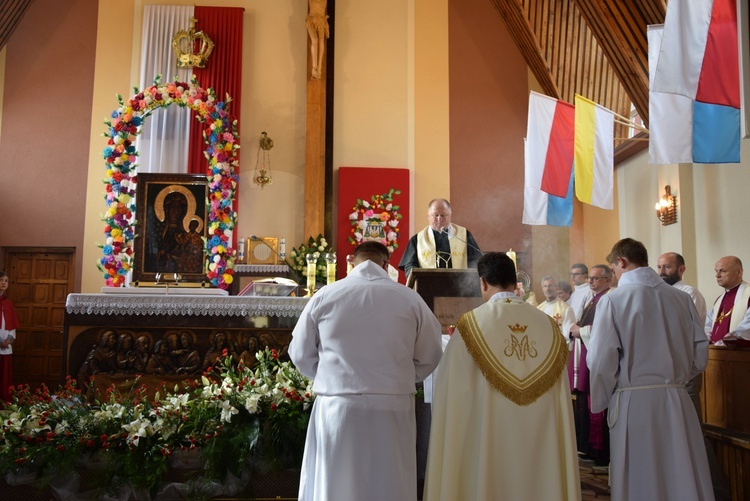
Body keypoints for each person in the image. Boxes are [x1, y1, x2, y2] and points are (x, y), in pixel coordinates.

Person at [289, 241, 442, 501]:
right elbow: (431, 353)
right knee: (389, 483)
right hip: (392, 406)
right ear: (387, 265)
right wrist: (400, 378)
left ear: (351, 261)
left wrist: (331, 376)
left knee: (336, 483)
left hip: (338, 406)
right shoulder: (409, 298)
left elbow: (300, 354)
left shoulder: (326, 295)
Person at [423, 253, 580, 500]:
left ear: (483, 283)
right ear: (514, 282)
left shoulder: (472, 324)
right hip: (541, 444)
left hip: (488, 445)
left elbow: (451, 392)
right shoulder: (548, 325)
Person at [588, 238, 713, 500]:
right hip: (677, 399)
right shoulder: (681, 298)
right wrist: (674, 379)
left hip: (635, 401)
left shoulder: (613, 300)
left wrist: (601, 400)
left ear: (621, 262)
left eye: (614, 269)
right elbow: (700, 354)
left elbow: (600, 362)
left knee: (642, 473)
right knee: (680, 469)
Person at [658, 252, 730, 501]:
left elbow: (692, 333)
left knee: (693, 431)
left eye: (666, 266)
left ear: (681, 269)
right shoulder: (663, 294)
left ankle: (714, 492)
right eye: (659, 266)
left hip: (685, 371)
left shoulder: (687, 293)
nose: (661, 271)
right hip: (671, 373)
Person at [568, 264, 612, 464]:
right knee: (585, 400)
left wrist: (581, 331)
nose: (591, 282)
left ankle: (598, 449)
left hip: (597, 358)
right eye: (590, 278)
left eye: (596, 278)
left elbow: (605, 329)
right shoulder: (591, 299)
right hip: (585, 354)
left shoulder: (608, 299)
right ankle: (587, 446)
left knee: (596, 401)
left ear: (608, 280)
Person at [398, 198, 482, 277]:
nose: (439, 219)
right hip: (428, 288)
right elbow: (410, 266)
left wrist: (470, 280)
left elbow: (476, 261)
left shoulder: (463, 235)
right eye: (435, 215)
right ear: (428, 216)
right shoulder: (418, 239)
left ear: (450, 215)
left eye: (443, 215)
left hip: (460, 287)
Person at [705, 256, 750, 345]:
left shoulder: (748, 296)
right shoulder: (719, 300)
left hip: (741, 354)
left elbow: (747, 327)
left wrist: (726, 341)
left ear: (739, 272)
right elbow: (708, 324)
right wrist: (707, 338)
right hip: (717, 354)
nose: (717, 275)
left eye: (723, 271)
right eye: (716, 271)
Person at [0, 271, 19, 403]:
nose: (3, 283)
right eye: (1, 280)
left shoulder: (8, 303)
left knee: (4, 377)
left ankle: (4, 402)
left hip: (6, 347)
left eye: (6, 280)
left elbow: (12, 325)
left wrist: (9, 339)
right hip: (1, 343)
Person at [537, 275, 576, 340]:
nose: (547, 289)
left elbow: (568, 335)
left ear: (556, 288)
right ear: (542, 289)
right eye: (545, 286)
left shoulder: (566, 309)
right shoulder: (538, 309)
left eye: (550, 286)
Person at [306, 0, 329, 79]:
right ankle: (314, 67)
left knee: (321, 40)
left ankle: (319, 68)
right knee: (315, 40)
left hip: (321, 20)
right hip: (311, 19)